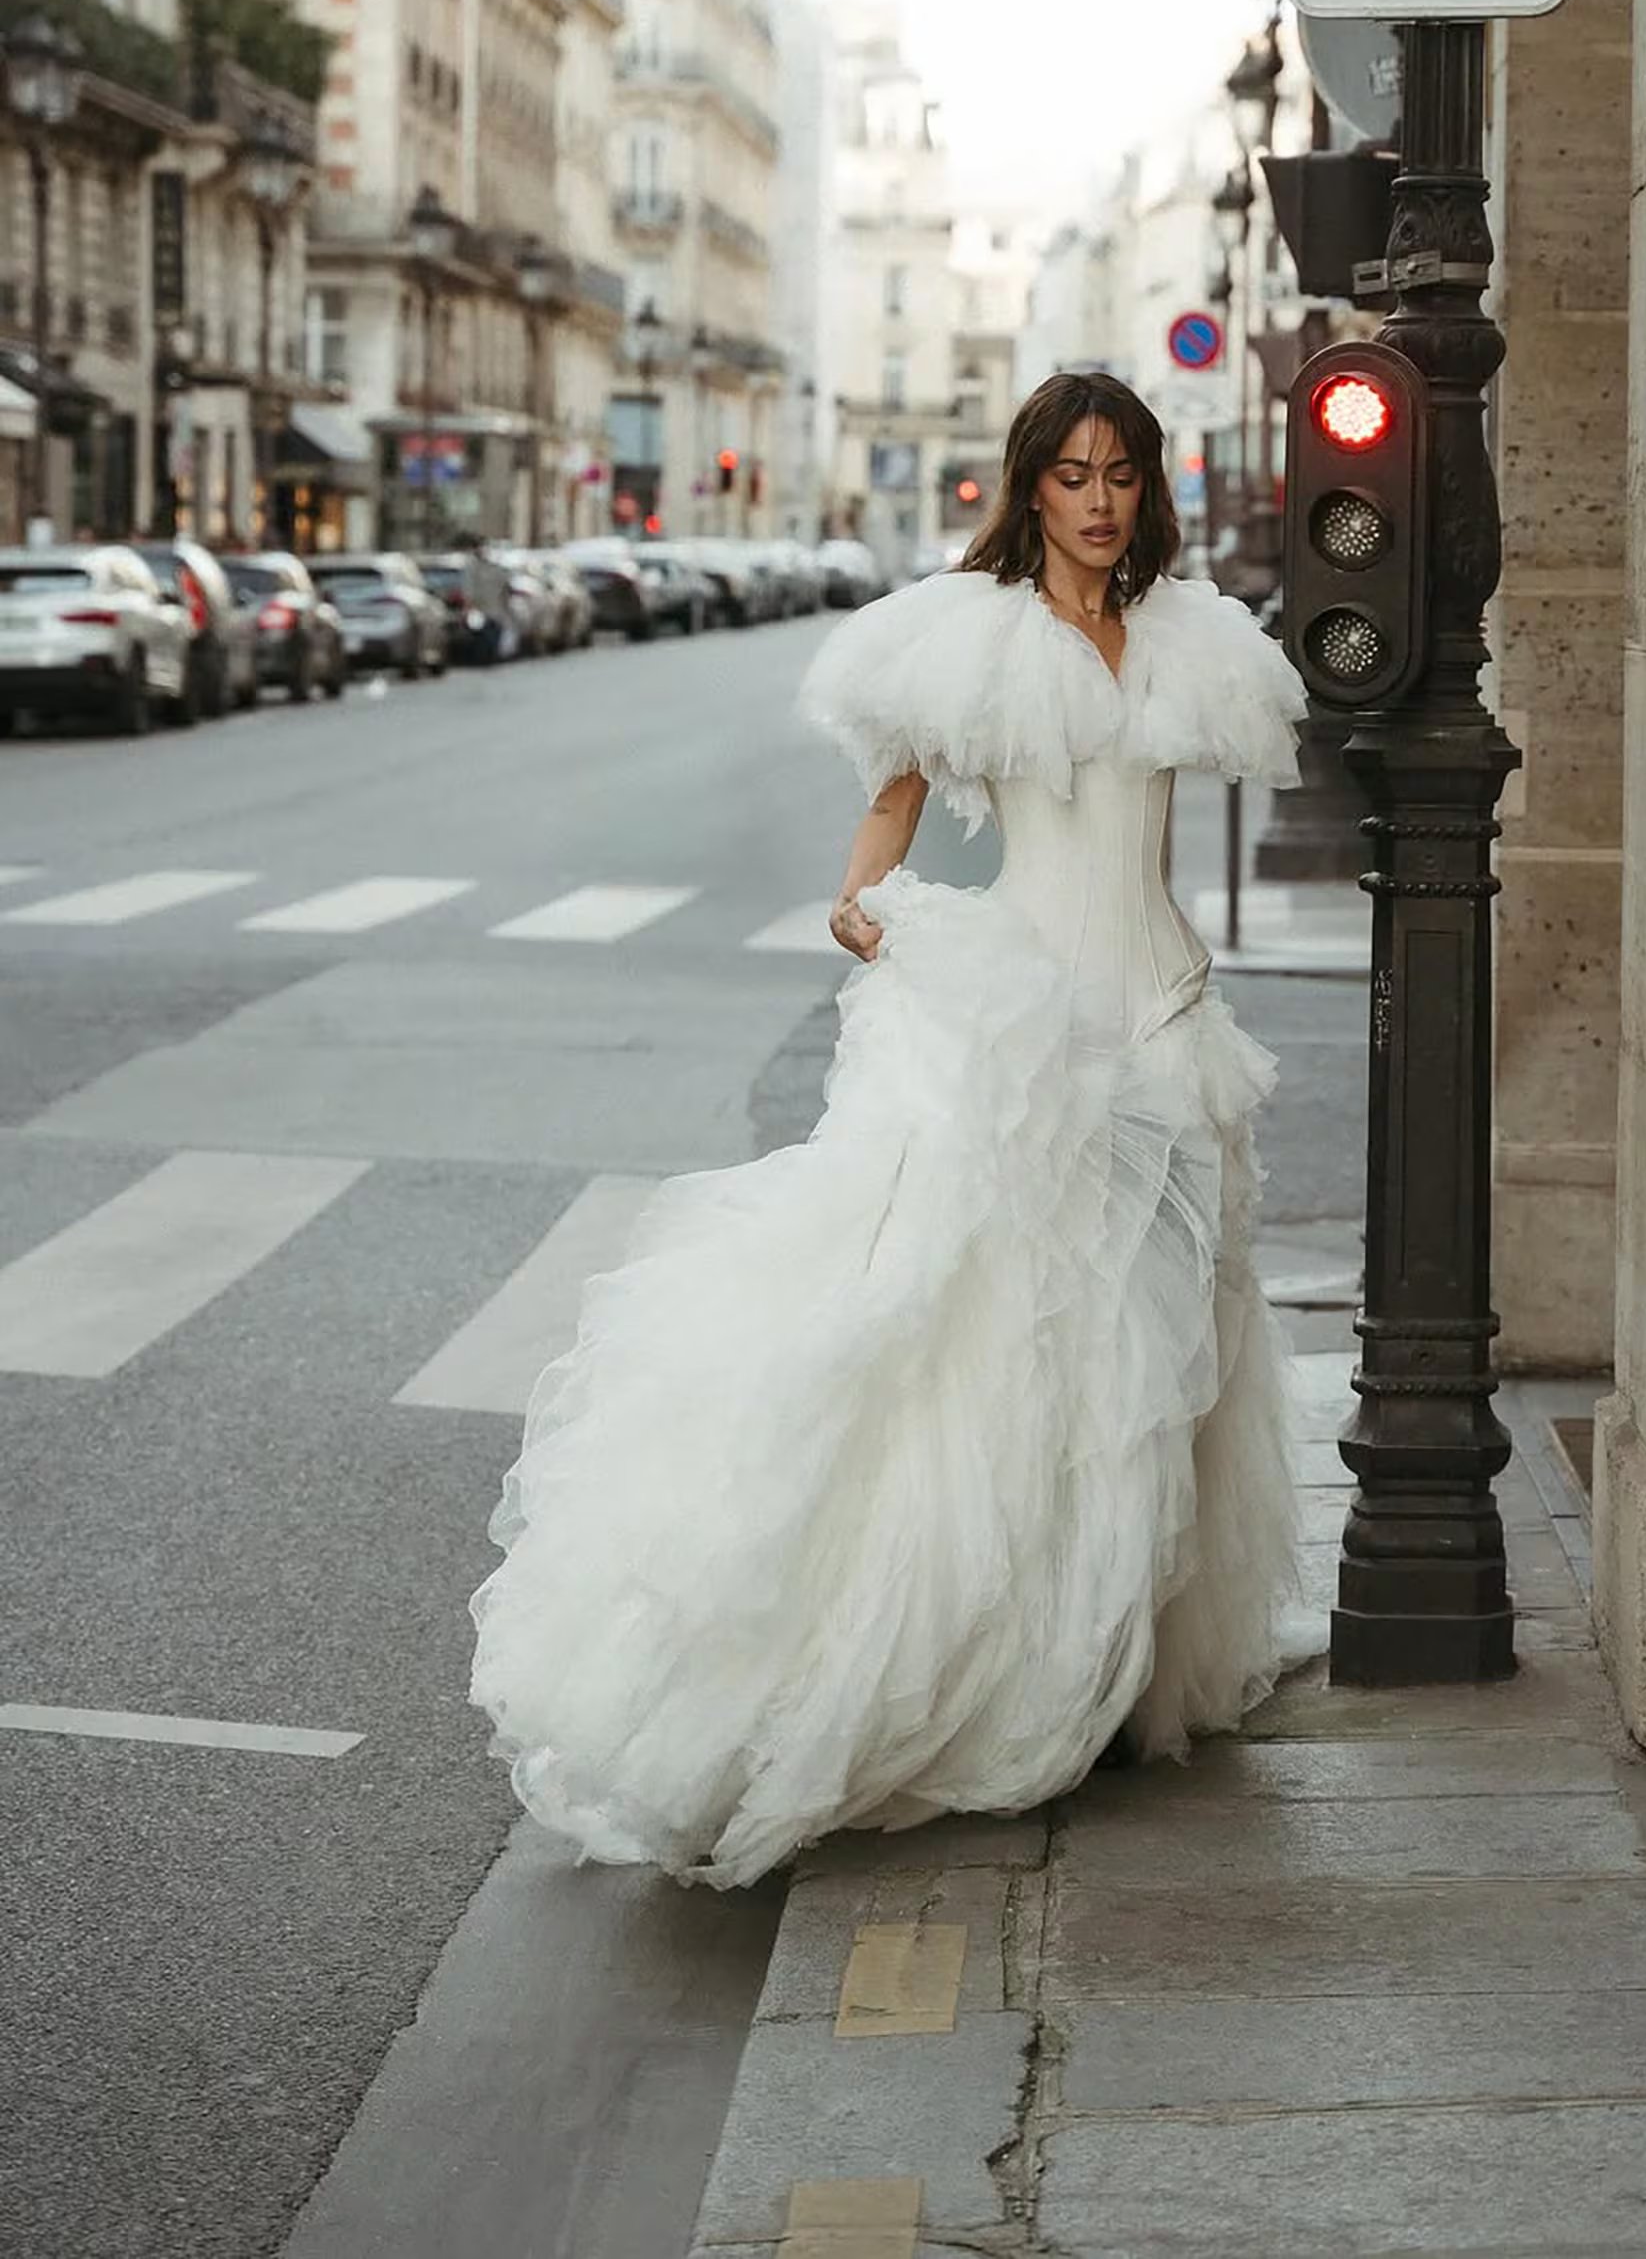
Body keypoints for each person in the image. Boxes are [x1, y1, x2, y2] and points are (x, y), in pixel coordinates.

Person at [469, 372, 1325, 1889]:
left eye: (1122, 472)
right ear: (1029, 484)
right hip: (1027, 1030)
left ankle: (1122, 1659)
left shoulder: (1188, 632)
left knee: (1173, 1346)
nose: (1100, 498)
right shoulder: (966, 635)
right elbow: (896, 804)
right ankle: (1016, 1666)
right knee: (1032, 1348)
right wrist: (863, 902)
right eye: (1072, 474)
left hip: (1170, 1016)